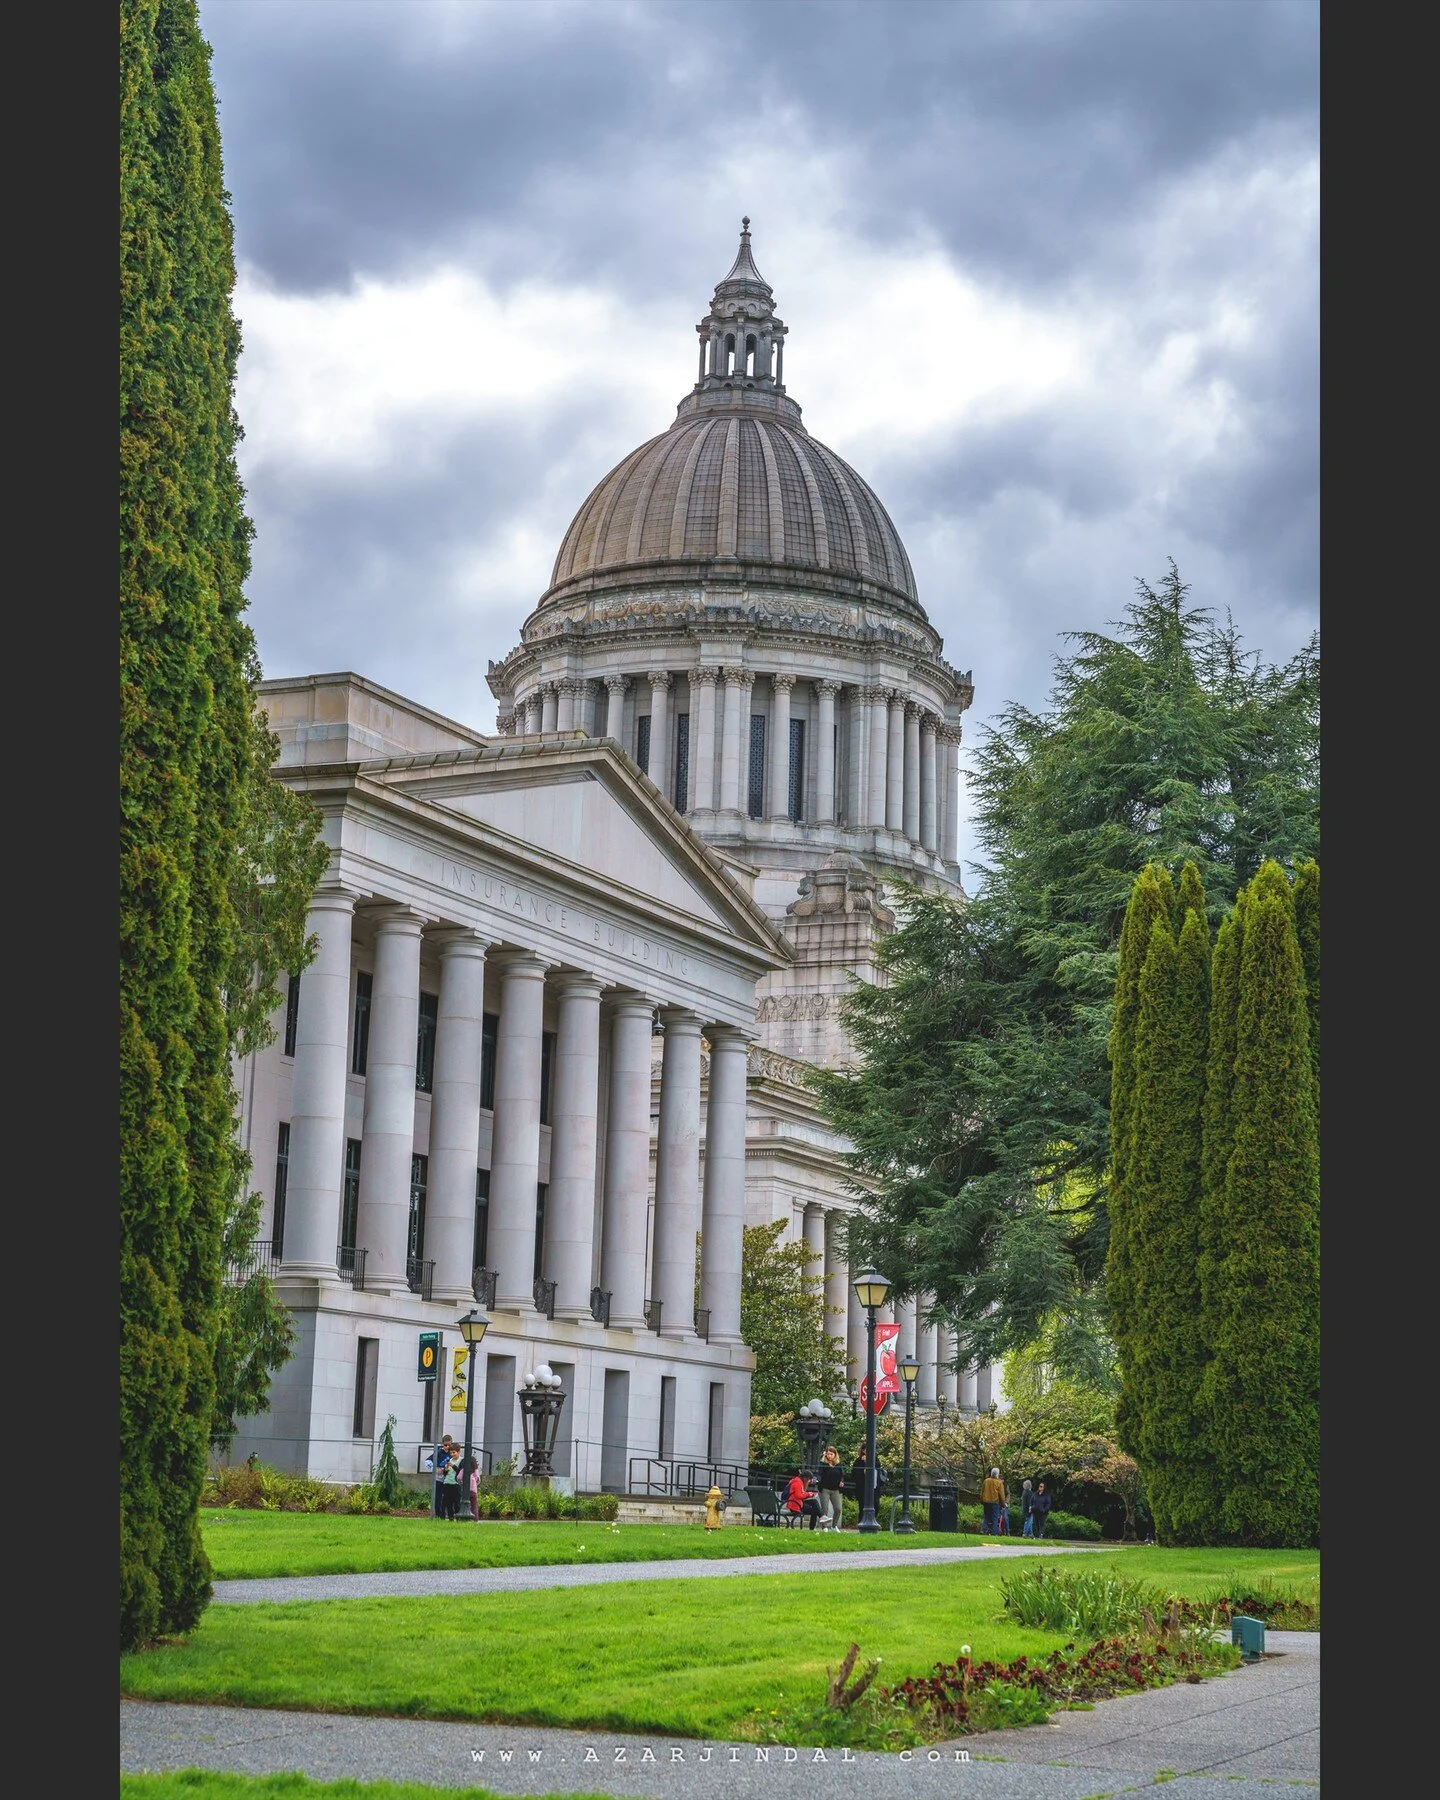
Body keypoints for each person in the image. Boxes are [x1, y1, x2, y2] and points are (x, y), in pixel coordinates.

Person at [816, 1445, 844, 1530]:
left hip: (835, 1489)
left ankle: (833, 1526)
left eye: (831, 1454)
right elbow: (820, 1474)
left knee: (838, 1509)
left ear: (835, 1454)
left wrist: (842, 1481)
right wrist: (824, 1459)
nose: (829, 1456)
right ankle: (824, 1527)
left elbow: (842, 1475)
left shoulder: (839, 1465)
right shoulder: (823, 1464)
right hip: (824, 1489)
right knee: (825, 1509)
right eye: (827, 1454)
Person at [980, 1466, 1006, 1536]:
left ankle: (983, 1529)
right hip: (995, 1502)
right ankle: (994, 1532)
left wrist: (982, 1500)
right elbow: (1001, 1495)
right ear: (997, 1474)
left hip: (986, 1502)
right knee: (995, 1517)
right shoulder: (999, 1483)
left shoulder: (986, 1481)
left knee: (986, 1516)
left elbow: (982, 1492)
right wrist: (1003, 1504)